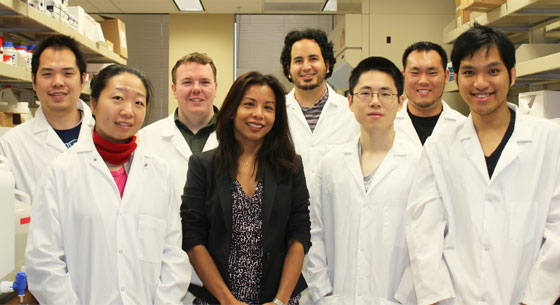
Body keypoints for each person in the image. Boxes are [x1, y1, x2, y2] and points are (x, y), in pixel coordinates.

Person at [405, 24, 560, 305]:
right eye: (469, 72)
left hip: (528, 297)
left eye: (492, 71)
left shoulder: (550, 140)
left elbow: (558, 230)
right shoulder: (439, 147)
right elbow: (422, 233)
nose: (480, 83)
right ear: (456, 77)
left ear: (512, 75)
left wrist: (534, 300)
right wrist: (440, 300)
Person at [26, 64, 190, 304]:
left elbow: (172, 254)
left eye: (139, 102)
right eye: (117, 98)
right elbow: (44, 261)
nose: (128, 111)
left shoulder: (159, 173)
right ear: (93, 103)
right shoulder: (60, 173)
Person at [181, 71, 311, 305]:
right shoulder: (203, 165)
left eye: (268, 108)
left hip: (277, 298)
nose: (258, 115)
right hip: (217, 299)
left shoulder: (290, 166)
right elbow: (192, 237)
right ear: (232, 110)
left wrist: (280, 301)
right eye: (249, 104)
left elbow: (299, 234)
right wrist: (226, 300)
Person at [307, 57, 418, 305]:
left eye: (385, 94)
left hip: (398, 299)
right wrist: (322, 292)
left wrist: (404, 298)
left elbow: (425, 243)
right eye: (365, 93)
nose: (375, 102)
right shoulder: (331, 164)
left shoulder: (419, 163)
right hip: (335, 298)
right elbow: (314, 232)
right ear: (350, 101)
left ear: (400, 102)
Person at [0, 34, 94, 201]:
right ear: (34, 82)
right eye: (47, 74)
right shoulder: (10, 145)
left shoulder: (107, 135)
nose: (57, 82)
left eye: (67, 73)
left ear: (82, 80)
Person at [139, 52, 219, 206]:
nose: (196, 89)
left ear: (215, 88)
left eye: (204, 82)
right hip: (166, 230)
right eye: (187, 82)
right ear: (174, 89)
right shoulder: (145, 139)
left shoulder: (238, 137)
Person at [280, 28, 359, 184]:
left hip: (338, 207)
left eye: (313, 59)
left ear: (327, 65)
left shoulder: (352, 112)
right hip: (289, 208)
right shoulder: (275, 112)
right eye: (298, 61)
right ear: (288, 70)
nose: (306, 67)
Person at [397, 41, 464, 147]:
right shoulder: (386, 125)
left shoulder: (464, 127)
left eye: (432, 73)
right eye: (415, 73)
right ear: (403, 77)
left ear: (447, 76)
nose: (423, 81)